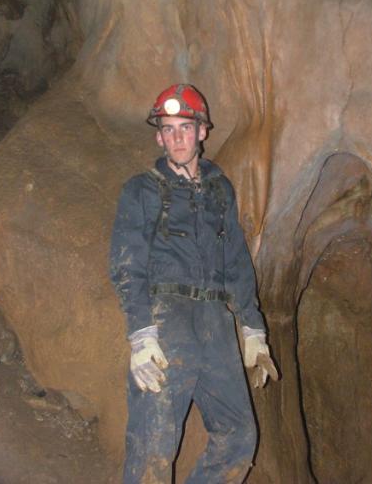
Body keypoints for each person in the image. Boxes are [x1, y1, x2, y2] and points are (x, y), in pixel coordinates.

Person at [110, 84, 278, 483]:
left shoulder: (220, 190)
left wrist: (253, 328)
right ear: (158, 137)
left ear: (202, 131)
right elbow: (127, 264)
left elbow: (236, 260)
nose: (177, 138)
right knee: (153, 444)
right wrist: (141, 334)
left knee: (239, 436)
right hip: (168, 320)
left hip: (216, 324)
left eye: (185, 127)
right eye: (168, 129)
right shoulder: (141, 190)